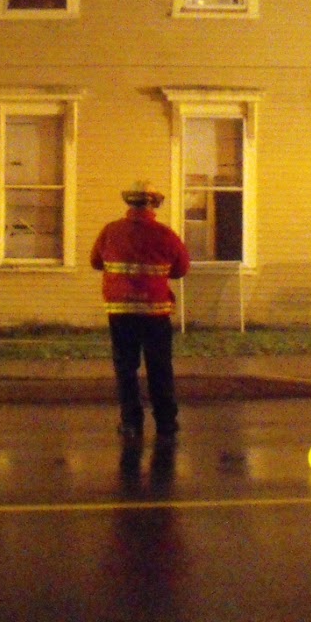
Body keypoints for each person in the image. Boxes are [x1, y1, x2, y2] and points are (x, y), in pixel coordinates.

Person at [90, 180, 190, 441]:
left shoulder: (110, 231)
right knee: (159, 367)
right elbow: (181, 270)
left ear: (129, 203)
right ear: (154, 204)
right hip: (155, 313)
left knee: (125, 367)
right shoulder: (166, 235)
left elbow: (95, 262)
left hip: (120, 312)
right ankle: (166, 422)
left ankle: (131, 422)